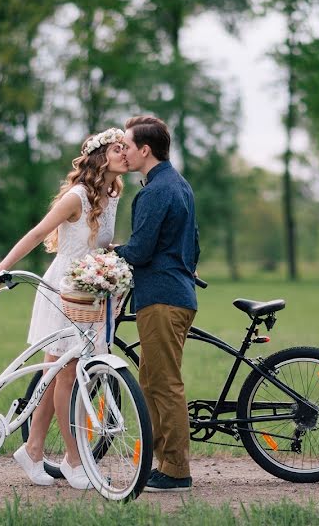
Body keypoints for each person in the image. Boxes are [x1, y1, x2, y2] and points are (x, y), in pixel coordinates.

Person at [0, 128, 127, 490]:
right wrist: (1, 269)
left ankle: (32, 450)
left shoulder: (113, 194)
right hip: (64, 289)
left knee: (53, 374)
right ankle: (75, 460)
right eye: (118, 148)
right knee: (65, 374)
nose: (126, 153)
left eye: (127, 147)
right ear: (100, 156)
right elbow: (36, 233)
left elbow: (99, 244)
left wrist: (117, 258)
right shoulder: (77, 196)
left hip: (92, 291)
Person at [113, 115, 200, 492]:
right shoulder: (177, 184)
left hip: (163, 298)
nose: (124, 153)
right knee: (151, 380)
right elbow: (193, 245)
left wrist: (109, 253)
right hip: (172, 293)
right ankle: (162, 463)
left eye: (128, 147)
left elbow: (141, 249)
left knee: (164, 384)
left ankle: (177, 471)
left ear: (144, 150)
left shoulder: (155, 191)